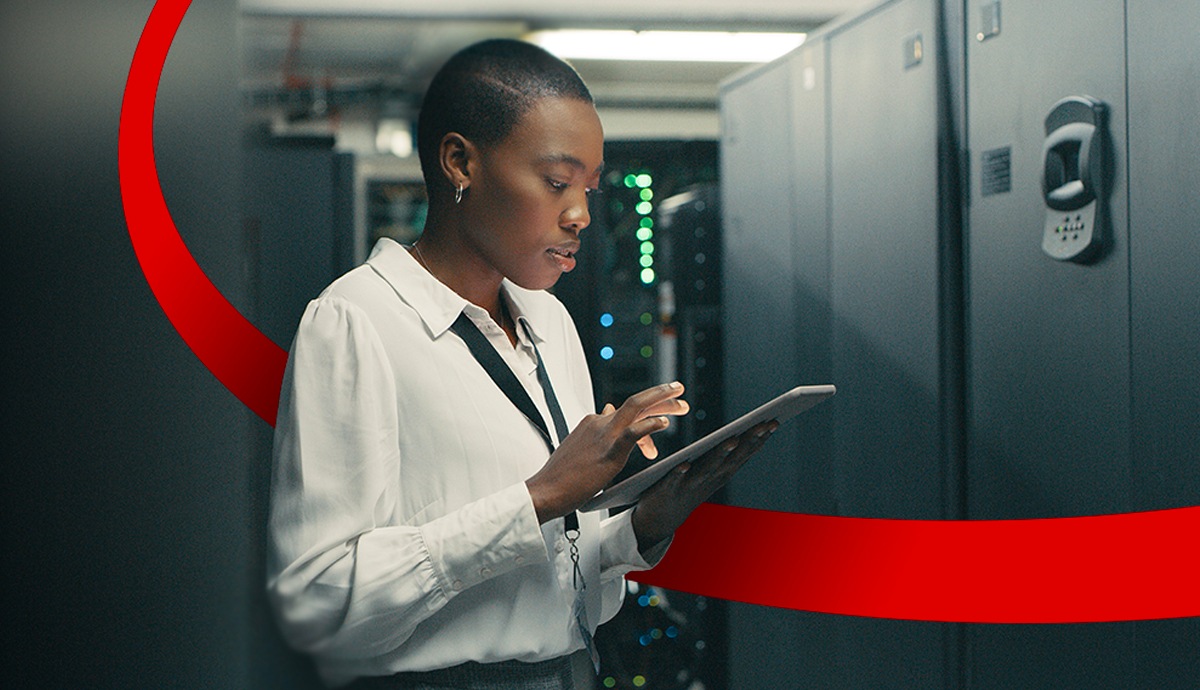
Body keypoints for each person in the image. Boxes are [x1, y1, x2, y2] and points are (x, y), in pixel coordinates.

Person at [266, 38, 777, 689]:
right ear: (460, 163)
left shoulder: (548, 321)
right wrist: (537, 498)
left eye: (589, 190)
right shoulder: (356, 322)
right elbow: (317, 605)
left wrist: (641, 526)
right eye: (558, 183)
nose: (581, 216)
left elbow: (554, 569)